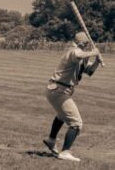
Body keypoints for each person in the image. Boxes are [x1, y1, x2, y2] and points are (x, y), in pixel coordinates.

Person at [43, 32, 102, 162]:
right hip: (58, 89)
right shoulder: (73, 51)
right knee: (76, 123)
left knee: (62, 116)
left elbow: (89, 72)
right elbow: (78, 54)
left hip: (61, 90)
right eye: (86, 43)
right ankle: (65, 152)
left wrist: (97, 61)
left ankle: (50, 140)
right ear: (81, 42)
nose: (87, 45)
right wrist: (94, 52)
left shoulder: (82, 55)